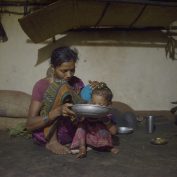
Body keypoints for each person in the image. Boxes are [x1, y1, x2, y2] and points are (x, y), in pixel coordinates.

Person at [27, 46, 86, 155]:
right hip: (48, 133)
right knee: (59, 88)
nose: (69, 75)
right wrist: (55, 113)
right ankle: (52, 142)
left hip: (73, 132)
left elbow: (83, 105)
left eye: (72, 70)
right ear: (53, 67)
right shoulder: (42, 85)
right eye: (64, 71)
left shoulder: (77, 82)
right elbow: (30, 124)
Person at [70, 82, 119, 158]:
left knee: (102, 130)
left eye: (100, 105)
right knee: (81, 126)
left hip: (101, 138)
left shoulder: (107, 115)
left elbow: (114, 131)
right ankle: (82, 148)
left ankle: (109, 147)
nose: (96, 106)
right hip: (89, 137)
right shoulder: (88, 112)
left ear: (109, 104)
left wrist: (106, 121)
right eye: (94, 103)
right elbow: (76, 123)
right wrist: (80, 117)